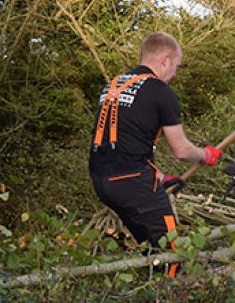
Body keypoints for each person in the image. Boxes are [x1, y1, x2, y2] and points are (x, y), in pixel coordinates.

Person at [88, 32, 223, 267]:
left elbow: (122, 145)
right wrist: (206, 155)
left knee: (150, 249)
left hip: (102, 180)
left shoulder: (114, 85)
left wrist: (158, 178)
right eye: (176, 66)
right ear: (166, 60)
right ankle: (174, 293)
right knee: (172, 252)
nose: (174, 74)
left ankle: (151, 293)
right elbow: (180, 150)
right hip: (132, 182)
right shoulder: (161, 92)